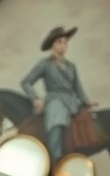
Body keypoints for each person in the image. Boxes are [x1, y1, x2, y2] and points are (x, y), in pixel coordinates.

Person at [20, 26, 97, 164]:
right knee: (57, 121)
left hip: (71, 101)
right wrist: (36, 98)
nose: (64, 45)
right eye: (60, 42)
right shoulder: (45, 64)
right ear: (52, 45)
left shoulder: (71, 66)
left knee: (87, 119)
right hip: (55, 100)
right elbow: (26, 82)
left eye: (66, 42)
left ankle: (78, 156)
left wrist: (87, 100)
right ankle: (56, 159)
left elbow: (77, 87)